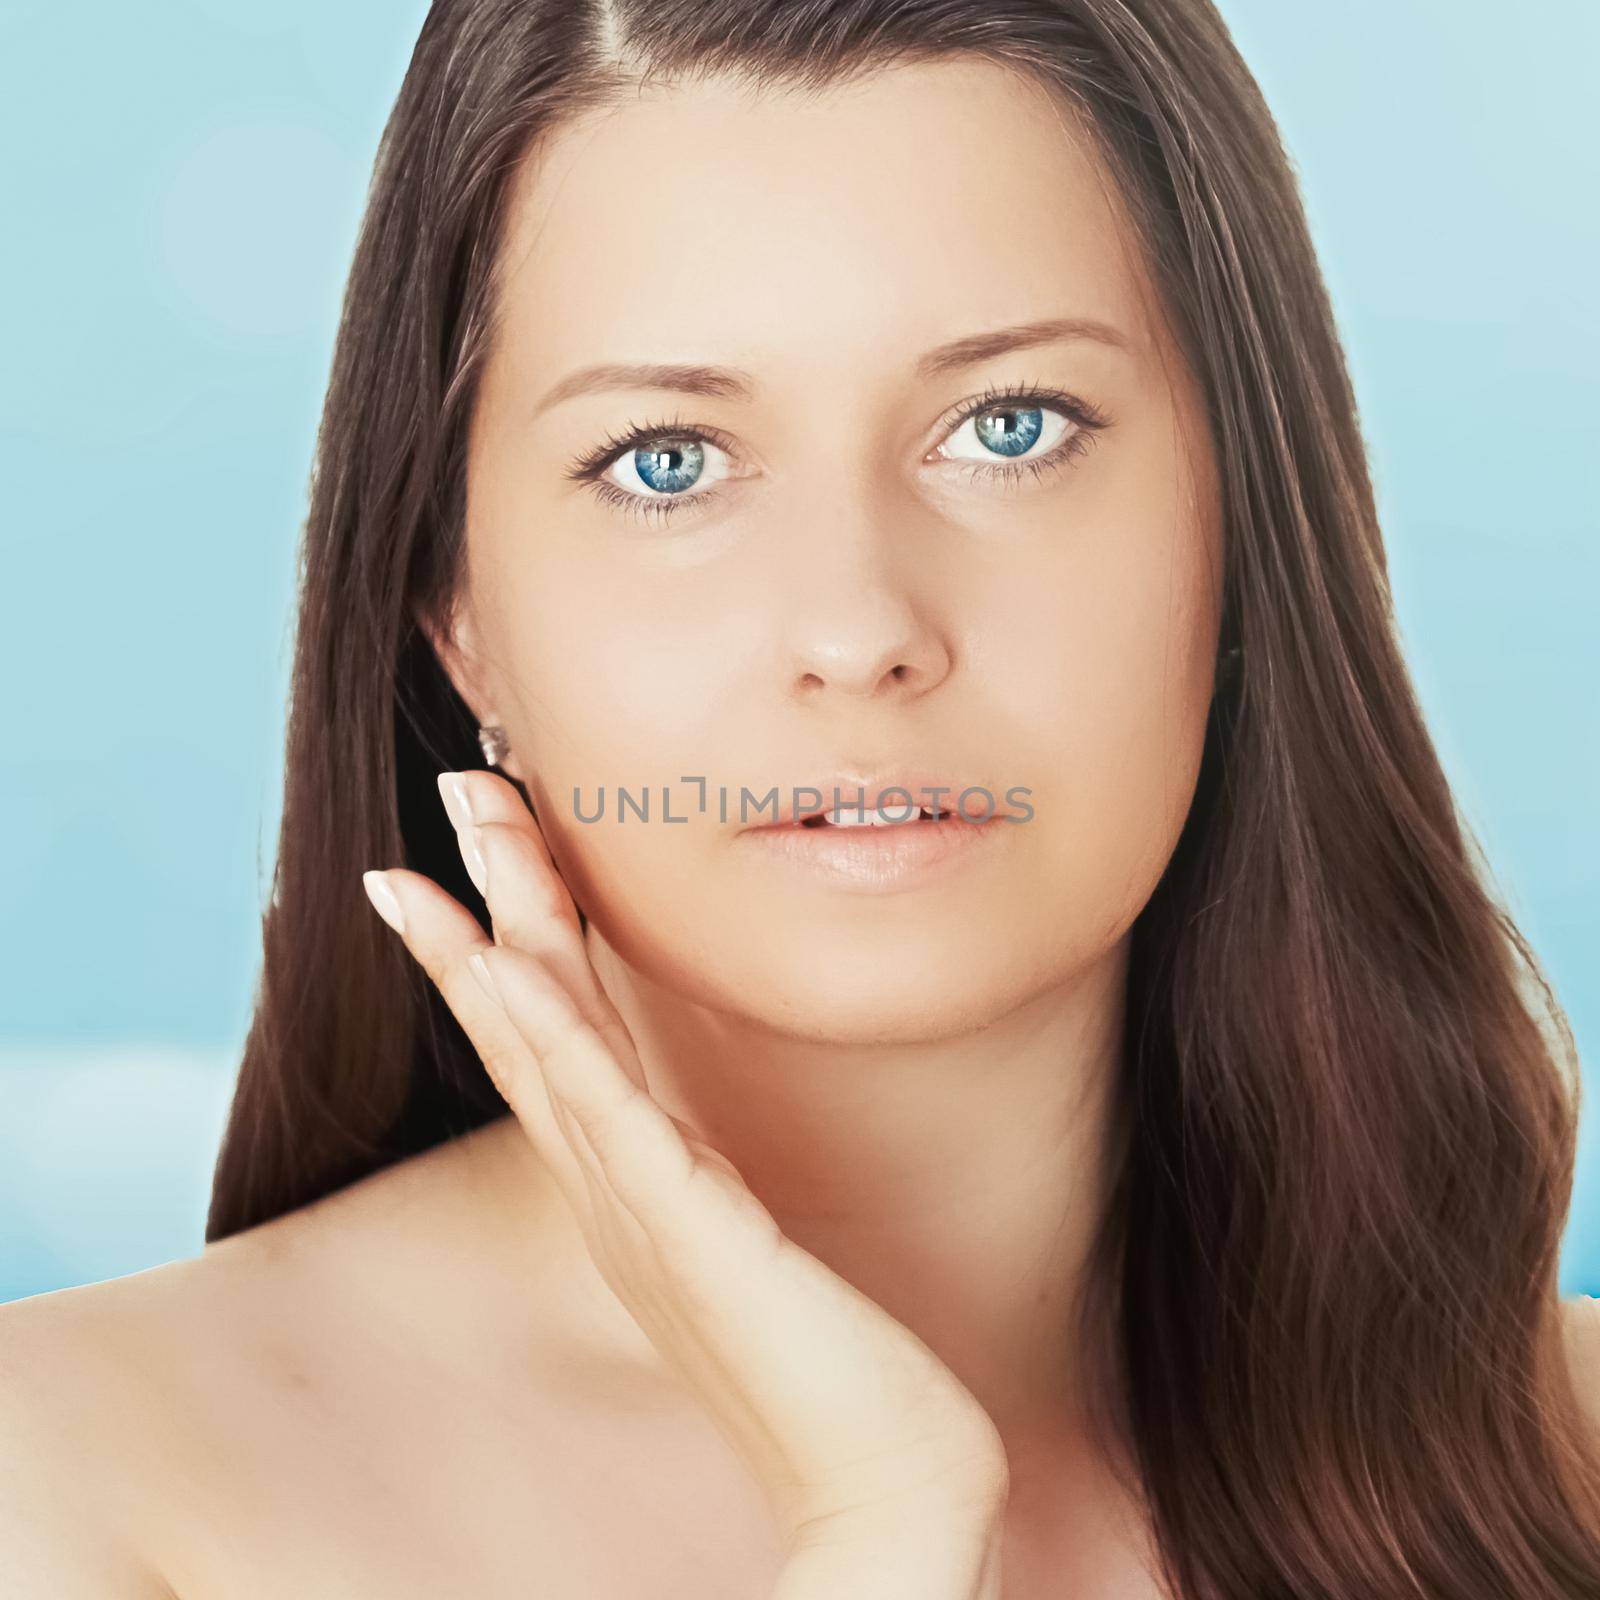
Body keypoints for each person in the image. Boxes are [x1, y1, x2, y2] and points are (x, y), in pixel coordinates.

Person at [4, 3, 1599, 1596]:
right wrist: (886, 1523)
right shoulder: (79, 1484)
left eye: (1010, 428)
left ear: (1245, 526)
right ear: (457, 608)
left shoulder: (1567, 1454)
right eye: (670, 463)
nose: (860, 632)